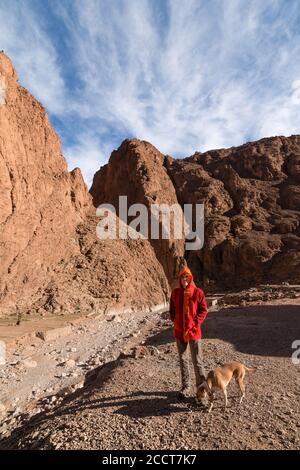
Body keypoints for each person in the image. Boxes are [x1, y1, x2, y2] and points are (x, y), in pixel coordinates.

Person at [169, 261, 208, 400]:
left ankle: (201, 390)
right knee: (183, 359)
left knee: (197, 361)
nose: (184, 280)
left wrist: (195, 323)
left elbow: (203, 310)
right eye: (182, 277)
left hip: (194, 332)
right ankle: (185, 387)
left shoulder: (198, 293)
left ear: (190, 278)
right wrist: (176, 321)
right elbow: (172, 310)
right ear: (179, 279)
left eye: (187, 277)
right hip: (179, 332)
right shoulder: (175, 293)